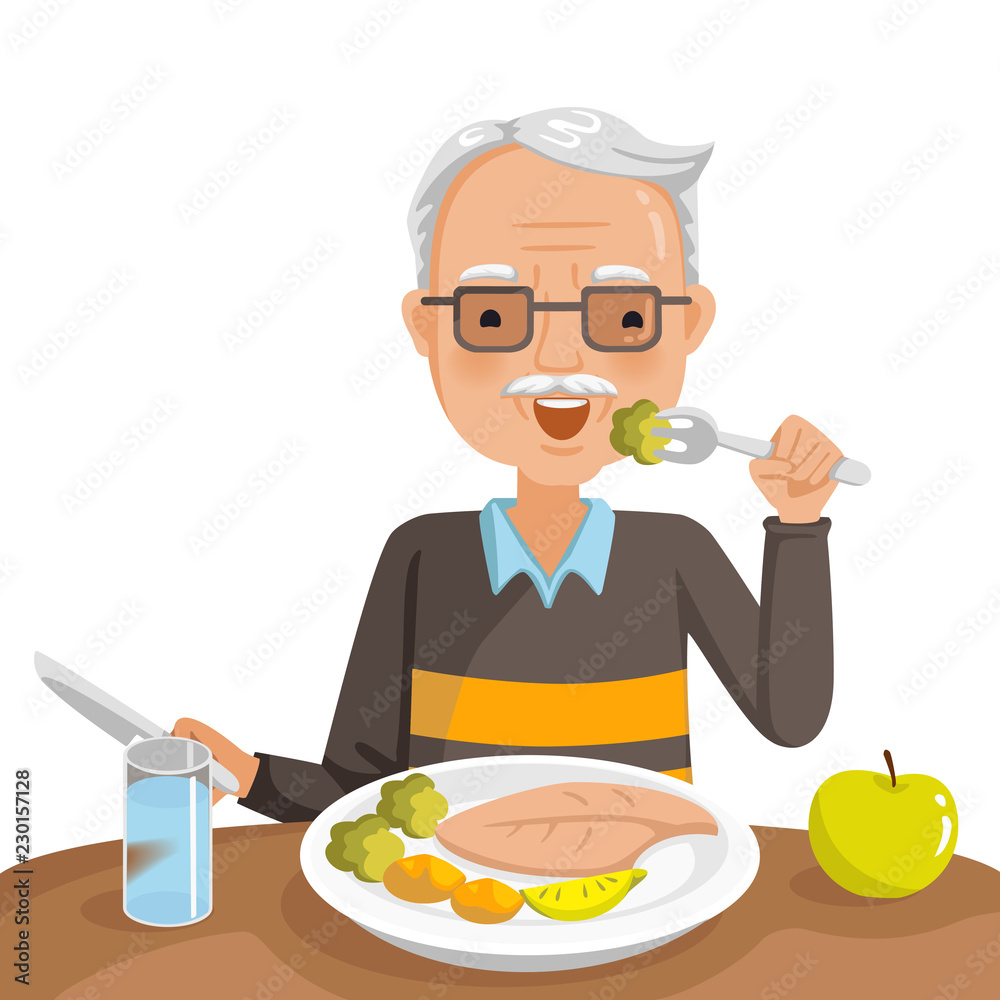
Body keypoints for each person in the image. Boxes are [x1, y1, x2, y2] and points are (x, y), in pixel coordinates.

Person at [174, 108, 841, 822]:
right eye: (493, 316)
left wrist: (798, 525)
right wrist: (250, 776)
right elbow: (362, 791)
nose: (559, 360)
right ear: (427, 329)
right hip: (458, 901)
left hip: (644, 890)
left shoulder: (672, 553)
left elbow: (788, 716)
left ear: (689, 324)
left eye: (621, 317)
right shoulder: (422, 557)